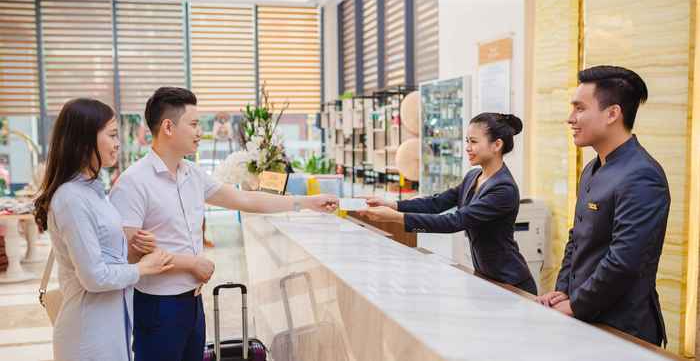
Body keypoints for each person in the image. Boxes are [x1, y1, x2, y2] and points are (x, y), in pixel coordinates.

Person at [109, 87, 338, 361]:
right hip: (159, 306)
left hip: (193, 301)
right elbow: (127, 254)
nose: (200, 132)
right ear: (168, 127)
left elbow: (245, 199)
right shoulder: (134, 182)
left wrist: (307, 202)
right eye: (193, 124)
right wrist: (191, 263)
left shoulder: (192, 174)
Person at [536, 65, 669, 346]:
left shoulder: (642, 175)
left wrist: (575, 305)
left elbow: (624, 261)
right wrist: (563, 292)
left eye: (579, 108)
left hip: (622, 328)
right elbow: (577, 238)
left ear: (612, 114)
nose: (570, 118)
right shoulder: (592, 168)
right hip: (584, 317)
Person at [33, 98, 174, 361]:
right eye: (111, 135)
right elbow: (93, 276)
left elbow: (104, 252)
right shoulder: (71, 198)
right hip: (88, 336)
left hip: (108, 327)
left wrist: (135, 246)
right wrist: (142, 269)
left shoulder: (93, 191)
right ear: (84, 140)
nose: (118, 143)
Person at [361, 112, 537, 295]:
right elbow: (437, 203)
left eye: (474, 142)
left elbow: (455, 221)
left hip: (511, 282)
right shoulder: (473, 177)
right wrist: (393, 205)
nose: (467, 148)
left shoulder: (503, 189)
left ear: (497, 145)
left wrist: (397, 218)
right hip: (488, 277)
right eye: (467, 141)